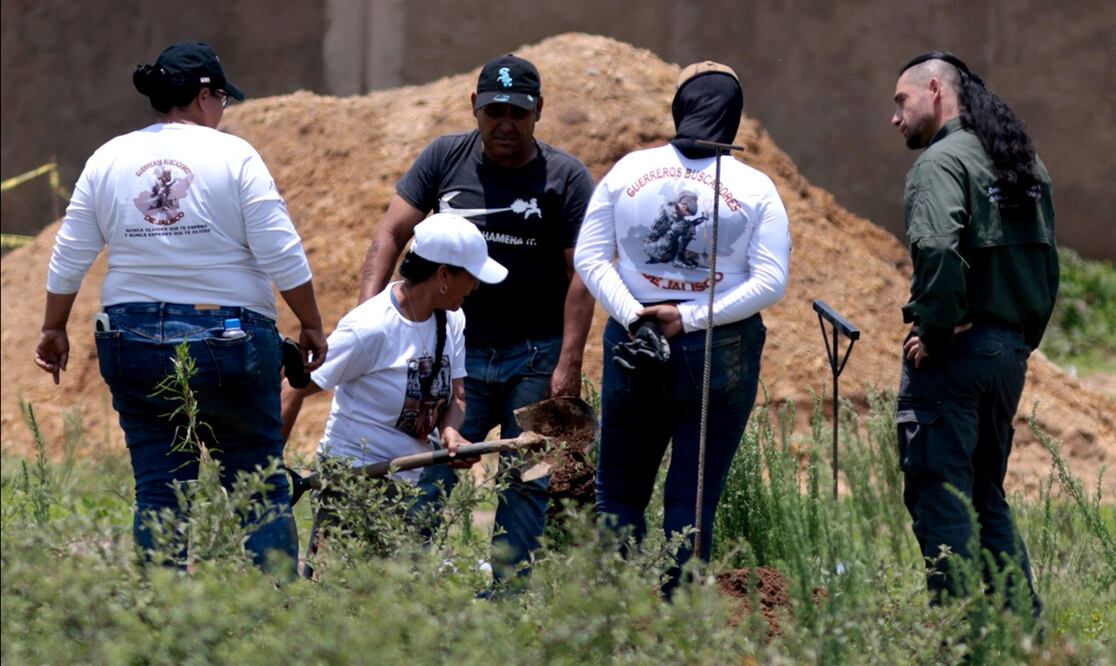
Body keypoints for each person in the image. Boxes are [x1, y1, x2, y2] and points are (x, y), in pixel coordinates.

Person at [34, 41, 328, 577]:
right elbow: (281, 252)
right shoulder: (234, 155)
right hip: (230, 339)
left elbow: (70, 253)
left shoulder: (108, 157)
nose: (223, 111)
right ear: (203, 95)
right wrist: (310, 322)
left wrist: (54, 326)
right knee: (258, 486)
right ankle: (280, 611)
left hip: (131, 339)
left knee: (159, 490)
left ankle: (161, 611)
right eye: (222, 99)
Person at [357, 54, 595, 586]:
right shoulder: (445, 158)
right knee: (432, 468)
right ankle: (402, 586)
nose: (505, 123)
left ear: (539, 111)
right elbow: (391, 232)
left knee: (527, 477)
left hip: (534, 356)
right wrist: (370, 317)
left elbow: (582, 274)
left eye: (518, 112)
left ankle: (509, 595)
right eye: (494, 111)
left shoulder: (565, 177)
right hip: (451, 355)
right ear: (474, 106)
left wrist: (569, 362)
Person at [574, 61, 791, 594]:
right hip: (716, 348)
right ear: (734, 116)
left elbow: (590, 257)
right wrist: (688, 318)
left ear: (679, 108)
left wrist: (635, 315)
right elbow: (770, 281)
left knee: (618, 491)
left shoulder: (628, 171)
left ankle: (615, 609)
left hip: (634, 342)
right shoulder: (756, 187)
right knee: (691, 497)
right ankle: (679, 614)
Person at [890, 52, 1057, 617]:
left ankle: (959, 635)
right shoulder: (1024, 163)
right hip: (1007, 355)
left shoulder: (940, 163)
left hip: (955, 360)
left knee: (941, 495)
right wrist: (1018, 338)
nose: (895, 117)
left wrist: (937, 331)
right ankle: (1019, 632)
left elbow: (938, 247)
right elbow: (1047, 265)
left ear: (935, 90)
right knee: (986, 496)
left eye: (902, 101)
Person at [281, 213, 507, 577]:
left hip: (407, 483)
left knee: (393, 594)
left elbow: (457, 395)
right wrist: (269, 469)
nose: (476, 285)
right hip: (354, 480)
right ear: (444, 275)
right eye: (471, 275)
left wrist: (451, 432)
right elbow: (294, 385)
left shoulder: (452, 319)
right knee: (341, 587)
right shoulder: (370, 328)